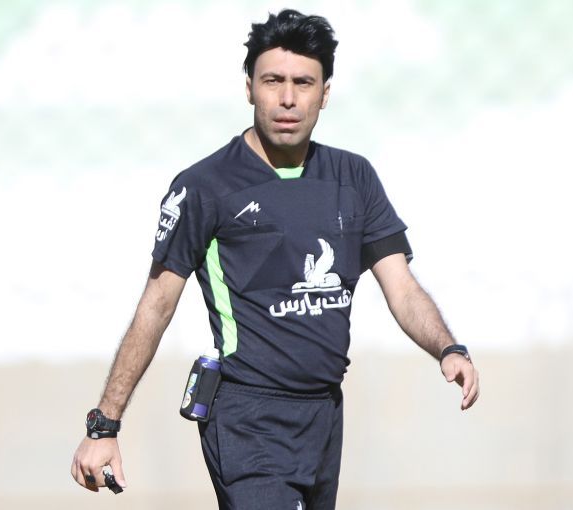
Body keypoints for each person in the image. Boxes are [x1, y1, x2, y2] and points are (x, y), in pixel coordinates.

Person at [70, 8, 479, 509]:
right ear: (249, 88)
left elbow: (403, 287)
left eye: (303, 83)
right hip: (247, 416)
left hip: (324, 413)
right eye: (273, 81)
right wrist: (104, 425)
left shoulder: (353, 178)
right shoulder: (206, 186)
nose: (288, 98)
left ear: (324, 93)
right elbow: (156, 305)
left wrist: (447, 348)